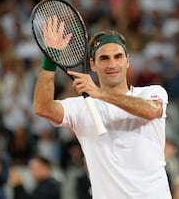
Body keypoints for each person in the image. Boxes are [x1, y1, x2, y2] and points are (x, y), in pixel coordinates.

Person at [33, 17, 171, 198]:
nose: (112, 64)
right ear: (93, 64)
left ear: (127, 61)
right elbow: (42, 107)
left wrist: (99, 94)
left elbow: (152, 110)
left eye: (118, 57)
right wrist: (50, 58)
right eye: (104, 58)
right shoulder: (81, 107)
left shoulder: (152, 92)